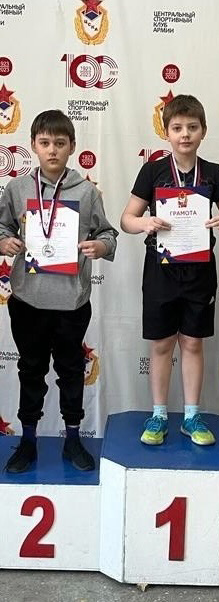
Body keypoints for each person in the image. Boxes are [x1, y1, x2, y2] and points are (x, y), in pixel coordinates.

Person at [121, 94, 219, 447]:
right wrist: (144, 223)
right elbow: (127, 219)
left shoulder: (214, 172)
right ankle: (159, 414)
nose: (185, 134)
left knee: (192, 342)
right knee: (162, 343)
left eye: (192, 127)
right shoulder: (152, 171)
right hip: (161, 269)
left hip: (199, 271)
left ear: (203, 130)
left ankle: (191, 416)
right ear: (167, 133)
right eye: (177, 128)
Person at [0, 110, 118, 473]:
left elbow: (107, 233)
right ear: (34, 146)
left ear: (72, 147)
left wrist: (101, 246)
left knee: (71, 370)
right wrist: (4, 242)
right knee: (31, 370)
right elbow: (2, 227)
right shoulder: (17, 189)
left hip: (71, 301)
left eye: (60, 143)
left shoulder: (86, 191)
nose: (52, 150)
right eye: (45, 143)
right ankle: (28, 441)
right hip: (28, 300)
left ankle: (73, 439)